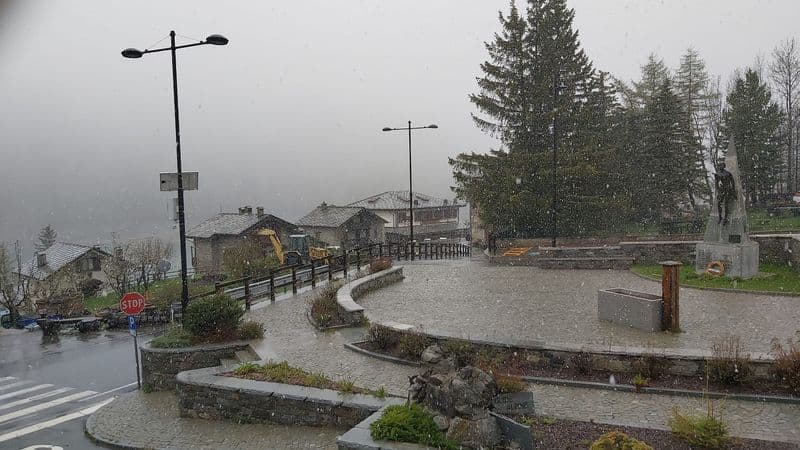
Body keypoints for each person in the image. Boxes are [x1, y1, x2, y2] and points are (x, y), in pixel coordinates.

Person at [715, 161, 736, 225]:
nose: (720, 167)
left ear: (724, 166)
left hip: (727, 190)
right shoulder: (717, 174)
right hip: (721, 190)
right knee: (719, 204)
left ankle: (726, 218)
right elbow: (716, 183)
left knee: (726, 204)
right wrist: (718, 190)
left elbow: (733, 182)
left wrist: (732, 190)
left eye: (721, 165)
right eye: (719, 166)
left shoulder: (728, 173)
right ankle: (720, 217)